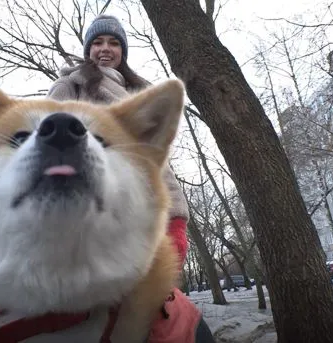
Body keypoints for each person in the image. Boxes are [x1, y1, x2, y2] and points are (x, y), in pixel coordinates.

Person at [47, 14, 215, 343]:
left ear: (123, 50)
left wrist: (176, 216)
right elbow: (49, 137)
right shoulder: (72, 84)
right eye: (97, 42)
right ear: (87, 49)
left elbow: (159, 166)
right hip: (98, 212)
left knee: (158, 310)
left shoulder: (139, 91)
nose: (105, 49)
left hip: (152, 203)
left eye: (113, 42)